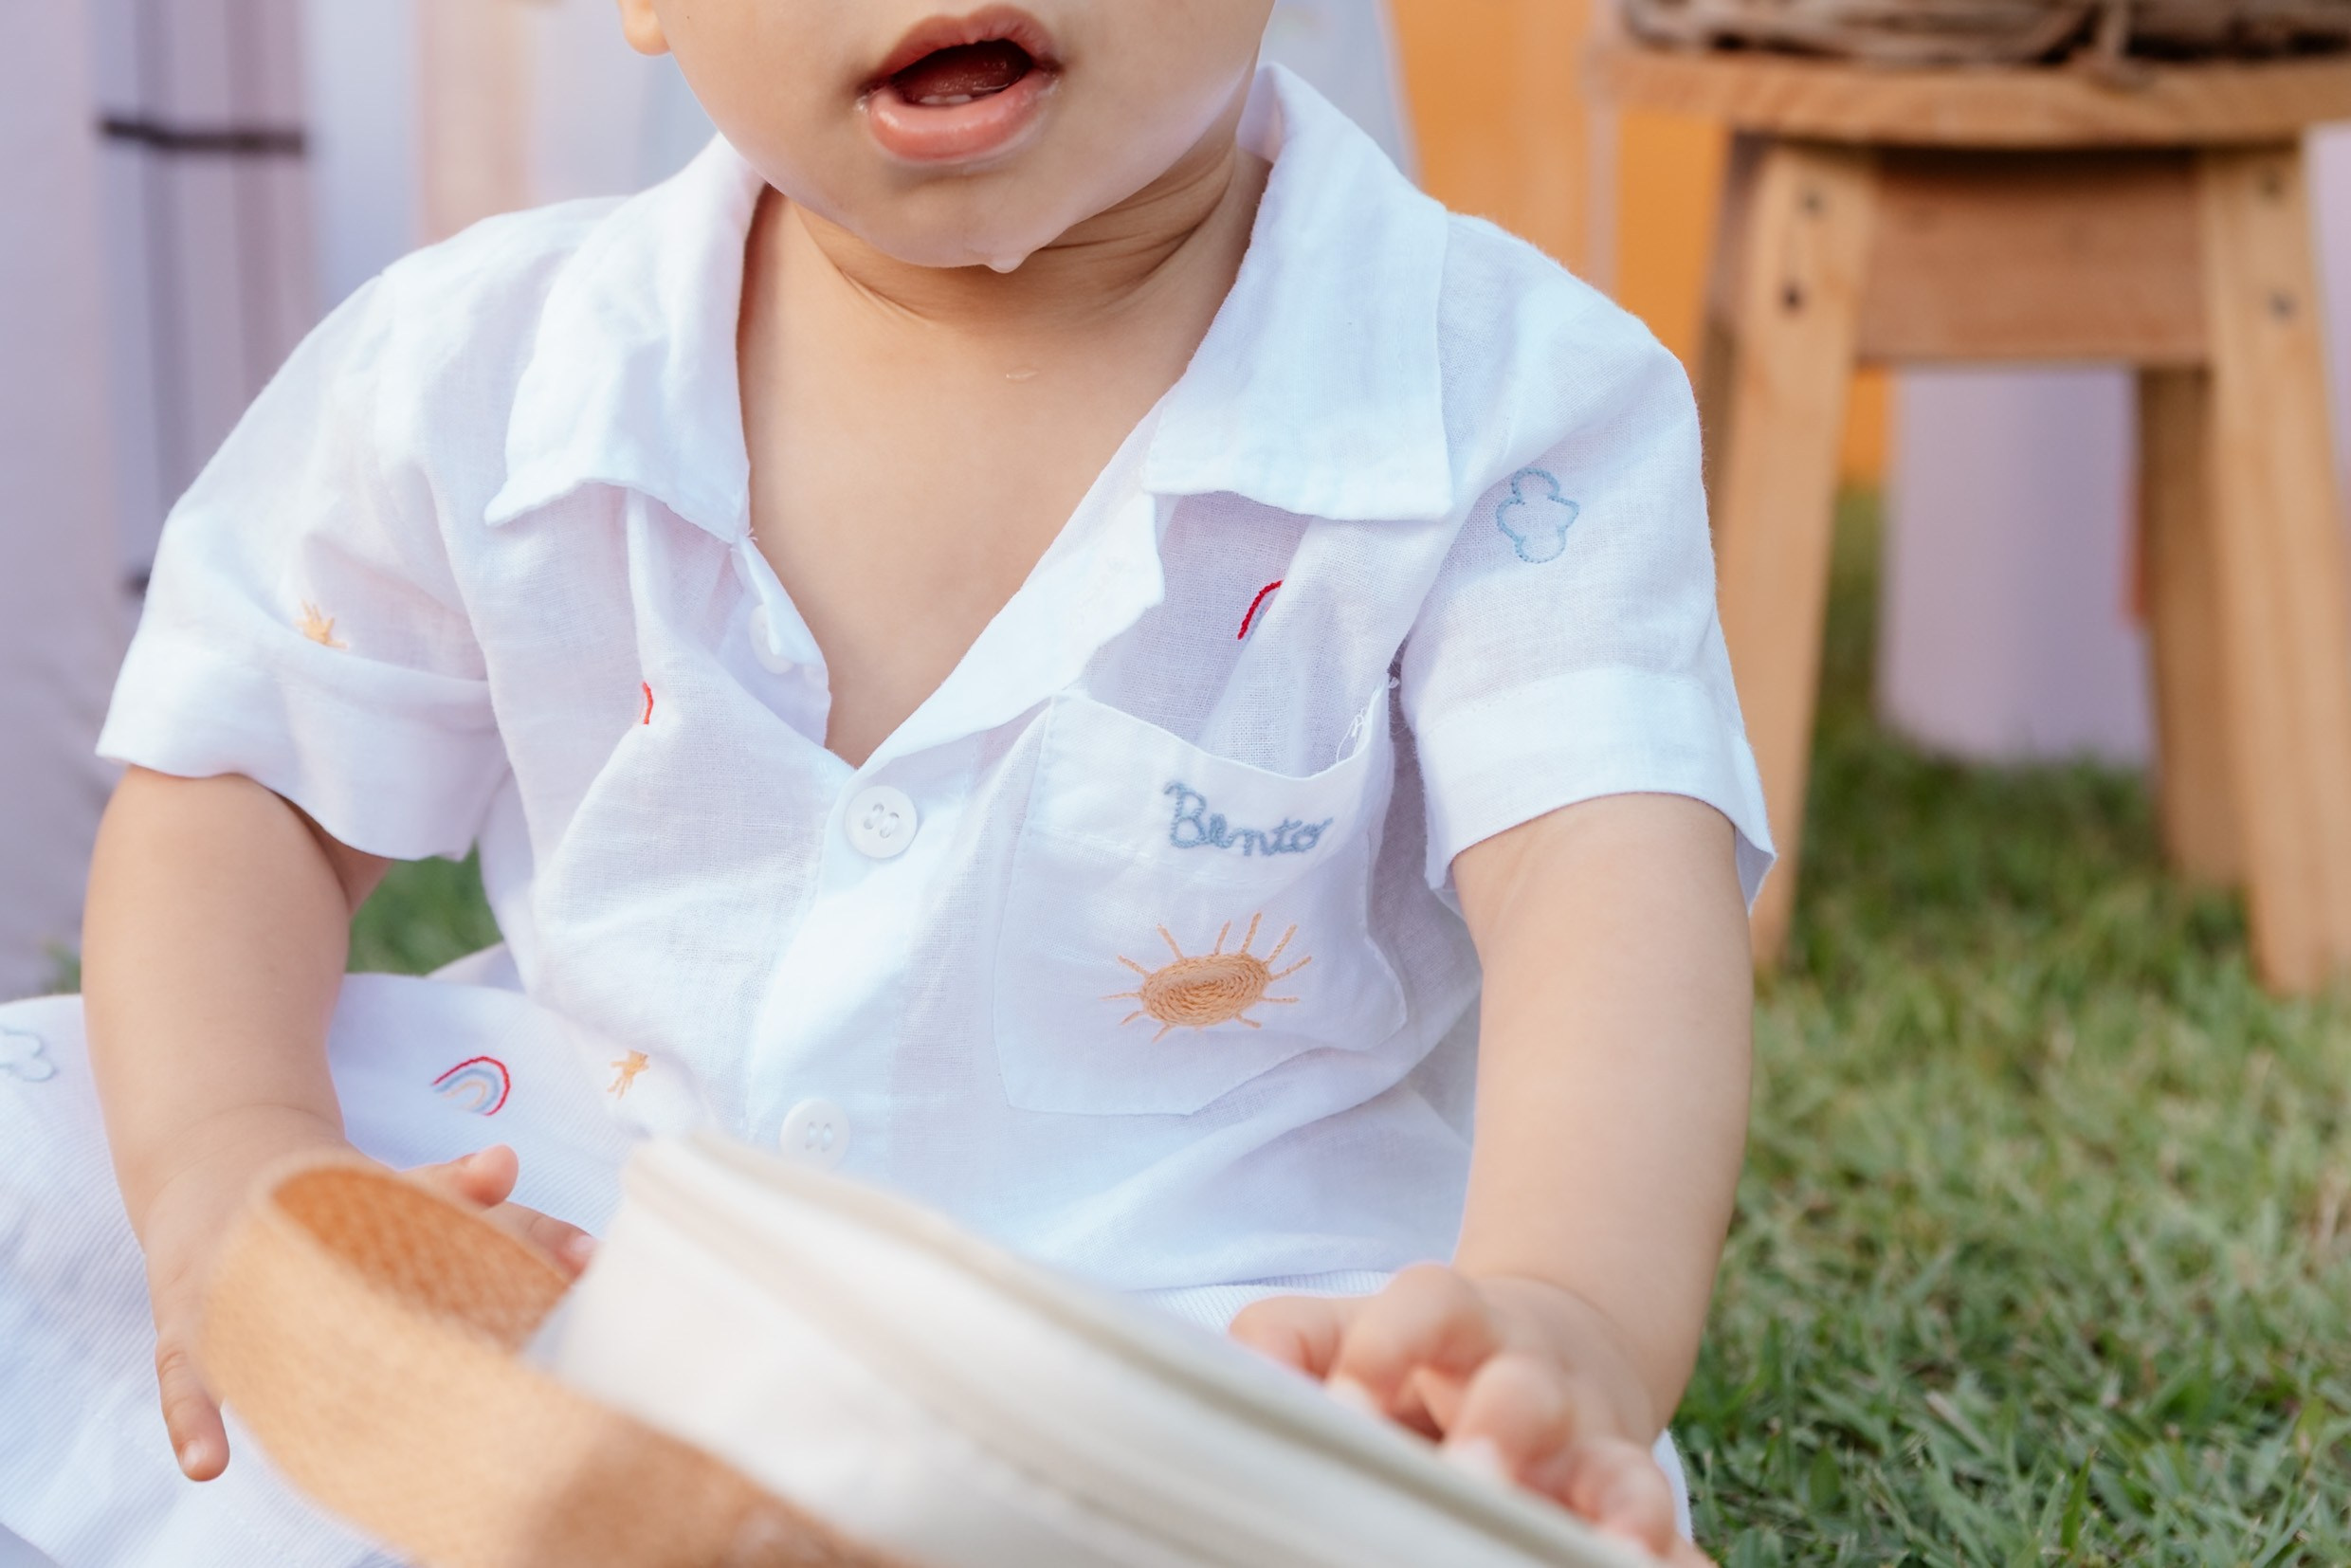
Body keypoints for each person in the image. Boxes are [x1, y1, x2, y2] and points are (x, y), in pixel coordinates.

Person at [0, 3, 1771, 1564]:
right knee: (62, 1138)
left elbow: (1608, 891)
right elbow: (240, 794)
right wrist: (233, 1155)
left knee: (1412, 1502)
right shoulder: (490, 363)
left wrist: (1565, 1314)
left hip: (1201, 1319)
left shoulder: (1511, 401)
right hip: (610, 1215)